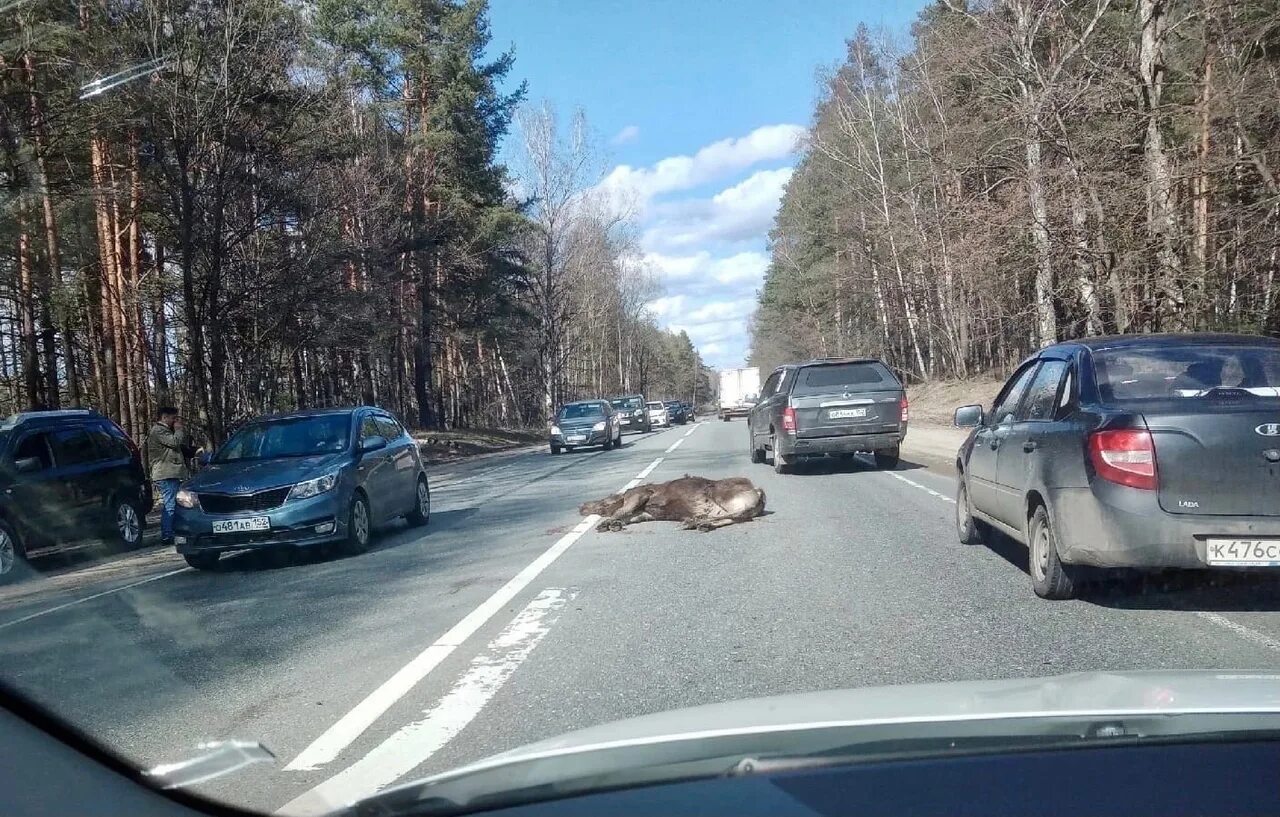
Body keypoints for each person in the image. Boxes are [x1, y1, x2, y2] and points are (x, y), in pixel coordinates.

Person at [147, 406, 190, 546]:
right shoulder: (159, 430)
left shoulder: (164, 430)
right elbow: (175, 442)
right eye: (172, 418)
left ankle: (173, 531)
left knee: (172, 503)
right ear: (164, 417)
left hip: (169, 472)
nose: (174, 421)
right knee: (170, 504)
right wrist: (178, 429)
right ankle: (167, 534)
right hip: (165, 474)